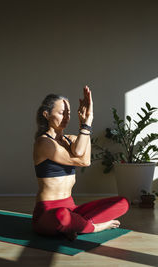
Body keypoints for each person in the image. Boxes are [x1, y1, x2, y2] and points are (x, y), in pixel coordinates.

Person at [32, 86, 129, 240]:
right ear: (46, 114)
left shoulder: (71, 139)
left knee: (122, 202)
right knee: (61, 216)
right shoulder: (43, 143)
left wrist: (87, 120)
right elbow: (82, 159)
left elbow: (85, 158)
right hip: (48, 211)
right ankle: (94, 227)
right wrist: (84, 129)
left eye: (68, 114)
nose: (66, 118)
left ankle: (74, 225)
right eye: (61, 113)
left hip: (71, 208)